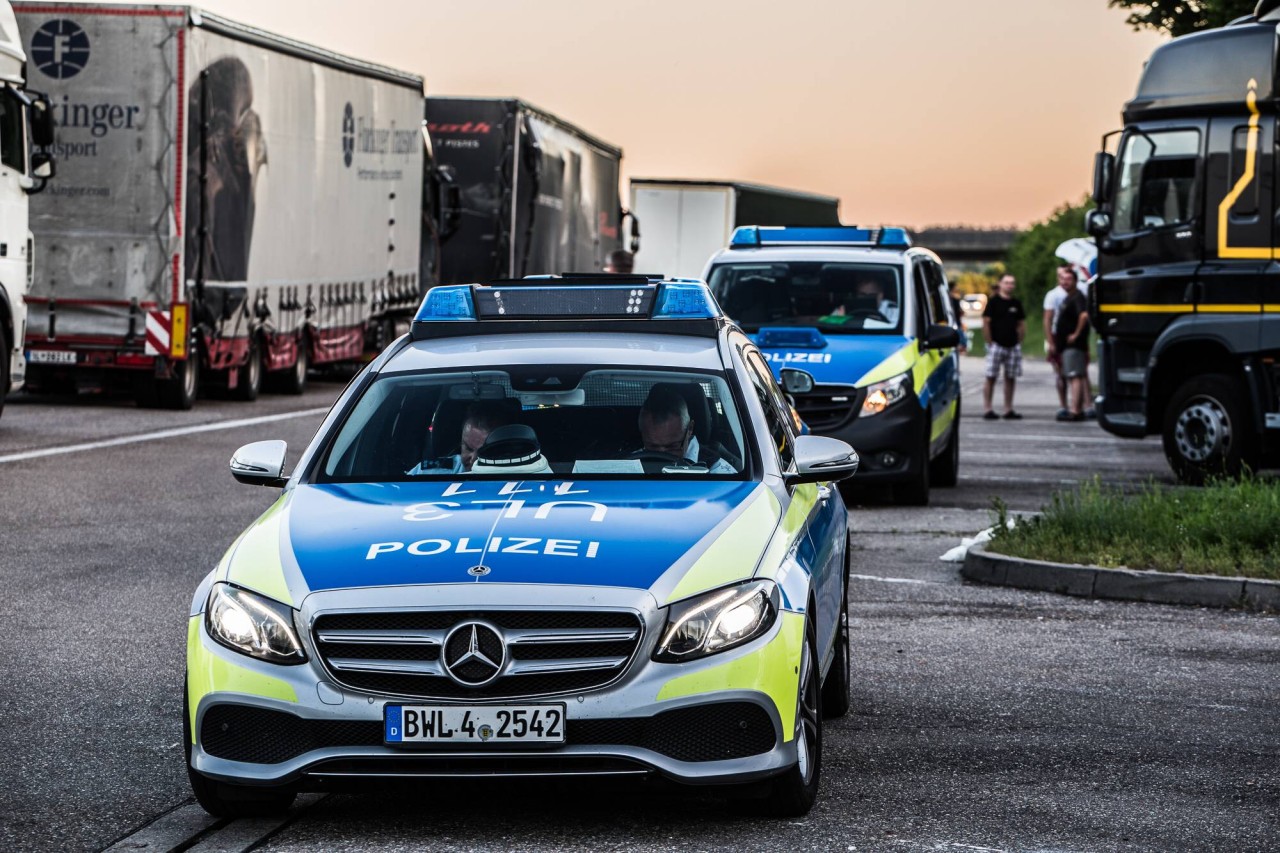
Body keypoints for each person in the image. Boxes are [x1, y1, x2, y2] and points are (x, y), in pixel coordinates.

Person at [636, 385, 735, 473]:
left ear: (690, 429)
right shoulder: (629, 464)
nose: (661, 454)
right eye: (652, 446)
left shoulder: (718, 471)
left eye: (672, 446)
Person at [407, 400, 514, 474]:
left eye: (484, 452)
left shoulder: (525, 475)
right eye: (468, 448)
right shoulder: (429, 472)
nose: (473, 459)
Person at [981, 274, 1026, 420]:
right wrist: (990, 341)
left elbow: (1021, 323)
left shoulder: (1016, 303)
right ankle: (988, 408)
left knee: (1010, 377)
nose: (1009, 285)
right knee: (991, 376)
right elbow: (986, 322)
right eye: (1006, 283)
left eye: (1012, 283)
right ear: (1000, 284)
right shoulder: (993, 302)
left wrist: (1019, 339)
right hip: (997, 345)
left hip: (1012, 345)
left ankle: (1008, 408)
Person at [1053, 267, 1091, 421]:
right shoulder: (1069, 297)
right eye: (1062, 279)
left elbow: (1084, 315)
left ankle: (1075, 410)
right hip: (1067, 345)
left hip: (1074, 345)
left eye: (1068, 279)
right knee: (1075, 375)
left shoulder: (1078, 297)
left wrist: (1075, 334)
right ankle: (1078, 408)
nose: (1065, 282)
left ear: (1075, 281)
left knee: (1075, 376)